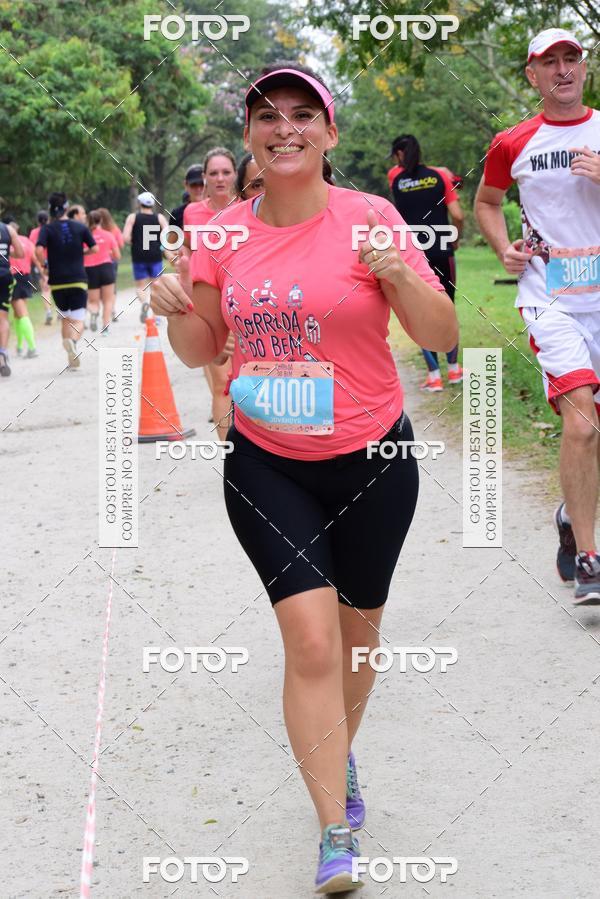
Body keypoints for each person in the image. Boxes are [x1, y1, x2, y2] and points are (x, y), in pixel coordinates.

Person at [151, 62, 457, 894]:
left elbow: (441, 332)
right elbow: (203, 347)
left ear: (328, 131)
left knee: (357, 638)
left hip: (374, 460)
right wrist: (178, 307)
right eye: (266, 115)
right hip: (267, 462)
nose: (283, 127)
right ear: (249, 135)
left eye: (301, 113)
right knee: (311, 639)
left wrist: (399, 273)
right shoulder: (220, 235)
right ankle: (333, 829)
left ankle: (338, 752)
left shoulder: (373, 216)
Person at [475, 28, 600, 604]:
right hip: (550, 298)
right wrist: (503, 246)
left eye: (571, 58)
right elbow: (486, 201)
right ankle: (589, 559)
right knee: (582, 423)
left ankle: (572, 516)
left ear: (584, 68)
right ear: (533, 75)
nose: (563, 69)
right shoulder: (513, 142)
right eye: (550, 62)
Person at [389, 134, 465, 391]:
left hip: (413, 253)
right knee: (448, 306)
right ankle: (454, 370)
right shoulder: (440, 176)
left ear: (400, 154)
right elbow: (458, 215)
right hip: (442, 248)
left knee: (418, 310)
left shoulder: (395, 178)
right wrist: (455, 238)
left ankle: (434, 376)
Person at [183, 147, 238, 441]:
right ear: (204, 177)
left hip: (246, 302)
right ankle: (231, 456)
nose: (220, 178)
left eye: (226, 172)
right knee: (221, 384)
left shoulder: (251, 206)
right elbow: (190, 250)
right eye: (213, 173)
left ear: (235, 175)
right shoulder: (193, 212)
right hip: (209, 303)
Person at [35, 192, 97, 369]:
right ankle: (73, 342)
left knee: (65, 318)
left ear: (50, 209)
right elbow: (95, 248)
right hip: (78, 279)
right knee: (78, 320)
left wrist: (45, 265)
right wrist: (82, 252)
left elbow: (38, 250)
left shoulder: (47, 229)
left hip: (57, 282)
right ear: (67, 207)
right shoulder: (80, 227)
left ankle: (70, 358)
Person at [123, 191, 168, 322]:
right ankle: (156, 316)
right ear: (153, 204)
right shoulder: (159, 218)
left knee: (140, 286)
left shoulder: (133, 217)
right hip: (155, 256)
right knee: (156, 286)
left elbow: (125, 237)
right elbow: (167, 235)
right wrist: (161, 246)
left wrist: (135, 241)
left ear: (139, 203)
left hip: (139, 256)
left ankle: (145, 303)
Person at [85, 210, 121, 334]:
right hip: (106, 268)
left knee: (92, 301)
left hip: (90, 270)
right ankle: (105, 328)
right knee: (108, 301)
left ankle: (94, 313)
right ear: (100, 220)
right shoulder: (108, 235)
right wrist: (108, 253)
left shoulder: (84, 236)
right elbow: (117, 256)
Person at [6, 219, 38, 358]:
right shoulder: (26, 241)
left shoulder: (7, 243)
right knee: (17, 314)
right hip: (26, 277)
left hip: (14, 277)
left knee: (22, 313)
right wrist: (42, 273)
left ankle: (32, 347)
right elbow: (34, 258)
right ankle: (19, 346)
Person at [0, 218, 24, 376]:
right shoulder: (8, 229)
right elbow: (20, 253)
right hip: (3, 276)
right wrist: (7, 253)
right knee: (2, 318)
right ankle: (2, 354)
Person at [97, 208, 125, 321]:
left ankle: (101, 310)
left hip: (96, 261)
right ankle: (112, 309)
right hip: (112, 261)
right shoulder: (115, 229)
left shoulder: (94, 231)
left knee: (97, 287)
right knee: (111, 286)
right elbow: (121, 244)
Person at [29, 210, 52, 325]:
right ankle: (61, 312)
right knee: (57, 288)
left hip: (40, 263)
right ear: (48, 219)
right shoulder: (52, 229)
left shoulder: (34, 233)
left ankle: (48, 312)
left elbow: (32, 249)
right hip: (54, 261)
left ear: (38, 221)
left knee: (45, 289)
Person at [169, 164, 204, 230]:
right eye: (194, 185)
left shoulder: (218, 211)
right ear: (186, 185)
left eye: (202, 184)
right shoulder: (177, 214)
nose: (198, 188)